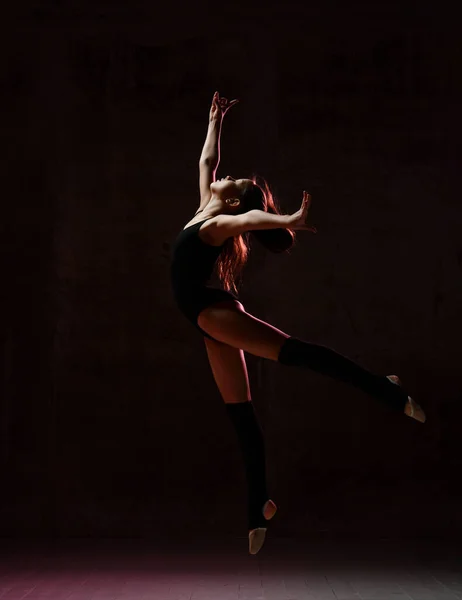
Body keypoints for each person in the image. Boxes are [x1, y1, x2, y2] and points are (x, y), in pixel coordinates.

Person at [170, 91, 426, 555]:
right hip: (204, 317)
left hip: (213, 313)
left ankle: (386, 389)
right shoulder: (205, 207)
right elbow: (208, 160)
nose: (226, 177)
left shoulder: (217, 225)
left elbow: (248, 218)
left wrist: (287, 217)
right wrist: (214, 120)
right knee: (240, 413)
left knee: (297, 354)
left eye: (234, 182)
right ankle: (259, 503)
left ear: (230, 204)